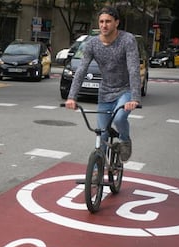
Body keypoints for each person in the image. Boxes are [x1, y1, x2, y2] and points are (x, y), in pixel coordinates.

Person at [65, 6, 141, 162]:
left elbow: (133, 69)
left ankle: (125, 140)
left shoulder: (127, 40)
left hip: (125, 90)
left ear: (116, 23)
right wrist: (72, 97)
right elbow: (81, 70)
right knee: (101, 133)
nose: (104, 25)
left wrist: (134, 98)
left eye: (108, 21)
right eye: (101, 22)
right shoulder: (92, 44)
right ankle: (96, 171)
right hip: (105, 92)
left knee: (119, 119)